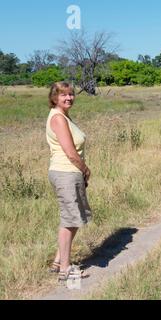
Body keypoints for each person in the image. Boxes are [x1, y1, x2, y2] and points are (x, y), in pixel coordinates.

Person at [46, 82, 91, 282]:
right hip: (66, 172)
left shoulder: (63, 115)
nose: (69, 98)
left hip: (70, 173)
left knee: (74, 218)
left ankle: (58, 261)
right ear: (54, 97)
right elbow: (70, 152)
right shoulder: (58, 118)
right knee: (69, 219)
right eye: (63, 95)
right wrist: (85, 169)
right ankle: (65, 269)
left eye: (71, 94)